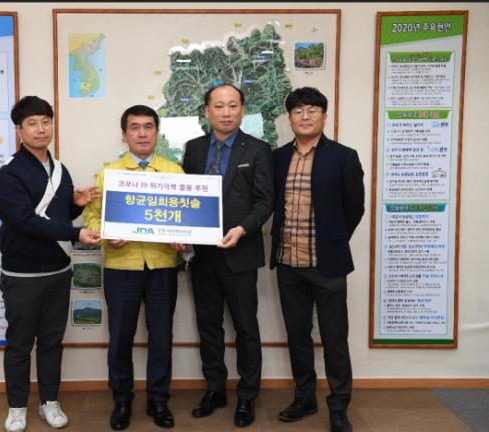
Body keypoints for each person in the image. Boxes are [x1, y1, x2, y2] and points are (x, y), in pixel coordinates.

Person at [0, 96, 101, 432]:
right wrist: (75, 232)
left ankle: (49, 401)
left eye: (45, 121)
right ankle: (16, 407)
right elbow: (26, 221)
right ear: (19, 130)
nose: (41, 129)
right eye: (32, 123)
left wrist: (76, 205)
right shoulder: (9, 173)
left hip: (58, 271)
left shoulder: (60, 170)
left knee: (52, 341)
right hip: (21, 273)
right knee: (19, 344)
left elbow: (56, 218)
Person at [83, 105, 184, 431]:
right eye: (135, 127)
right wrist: (106, 234)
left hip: (162, 265)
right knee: (120, 338)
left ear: (157, 132)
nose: (142, 133)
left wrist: (182, 237)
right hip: (121, 266)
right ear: (124, 134)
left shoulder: (174, 171)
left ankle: (158, 400)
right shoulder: (109, 173)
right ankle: (122, 400)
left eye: (148, 127)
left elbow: (186, 216)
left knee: (161, 337)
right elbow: (92, 215)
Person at [270, 87, 364, 432]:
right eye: (298, 111)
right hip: (288, 263)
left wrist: (333, 240)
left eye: (312, 110)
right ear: (290, 118)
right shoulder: (278, 158)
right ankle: (304, 397)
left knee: (335, 339)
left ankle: (338, 407)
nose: (305, 116)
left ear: (324, 116)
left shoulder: (343, 157)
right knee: (298, 336)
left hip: (328, 265)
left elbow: (354, 208)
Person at [182, 84, 274, 427]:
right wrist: (181, 234)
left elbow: (265, 201)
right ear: (207, 111)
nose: (226, 112)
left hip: (240, 253)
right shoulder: (194, 148)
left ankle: (247, 395)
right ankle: (215, 389)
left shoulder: (258, 149)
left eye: (233, 105)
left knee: (246, 327)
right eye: (219, 106)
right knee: (209, 326)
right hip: (202, 255)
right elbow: (185, 198)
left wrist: (243, 229)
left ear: (242, 110)